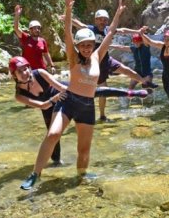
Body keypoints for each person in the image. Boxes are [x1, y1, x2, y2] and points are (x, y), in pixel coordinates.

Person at [20, 0, 126, 190]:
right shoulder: (72, 57)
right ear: (77, 47)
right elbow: (67, 33)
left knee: (84, 150)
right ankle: (35, 173)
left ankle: (80, 177)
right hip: (68, 101)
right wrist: (68, 9)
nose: (87, 48)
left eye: (90, 44)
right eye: (83, 45)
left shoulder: (97, 56)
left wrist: (118, 14)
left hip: (87, 106)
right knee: (52, 135)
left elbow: (110, 33)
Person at [10, 56, 150, 167]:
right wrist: (54, 100)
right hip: (49, 103)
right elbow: (42, 105)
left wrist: (79, 91)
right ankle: (57, 163)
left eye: (26, 68)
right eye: (20, 71)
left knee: (95, 92)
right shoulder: (19, 95)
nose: (25, 72)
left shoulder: (40, 73)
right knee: (51, 135)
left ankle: (131, 93)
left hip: (62, 91)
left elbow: (59, 86)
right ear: (14, 75)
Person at [68, 11, 156, 122]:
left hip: (107, 60)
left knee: (127, 70)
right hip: (96, 63)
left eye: (105, 20)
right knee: (103, 89)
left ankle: (145, 82)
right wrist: (68, 18)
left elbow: (123, 30)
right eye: (100, 19)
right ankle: (102, 115)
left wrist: (137, 31)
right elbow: (80, 24)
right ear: (95, 20)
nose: (102, 22)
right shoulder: (91, 29)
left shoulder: (108, 30)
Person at [13, 5, 56, 73]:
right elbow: (16, 28)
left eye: (38, 28)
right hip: (29, 70)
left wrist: (52, 66)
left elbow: (46, 54)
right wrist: (17, 15)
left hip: (41, 70)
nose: (37, 30)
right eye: (35, 28)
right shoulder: (25, 38)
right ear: (30, 30)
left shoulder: (42, 41)